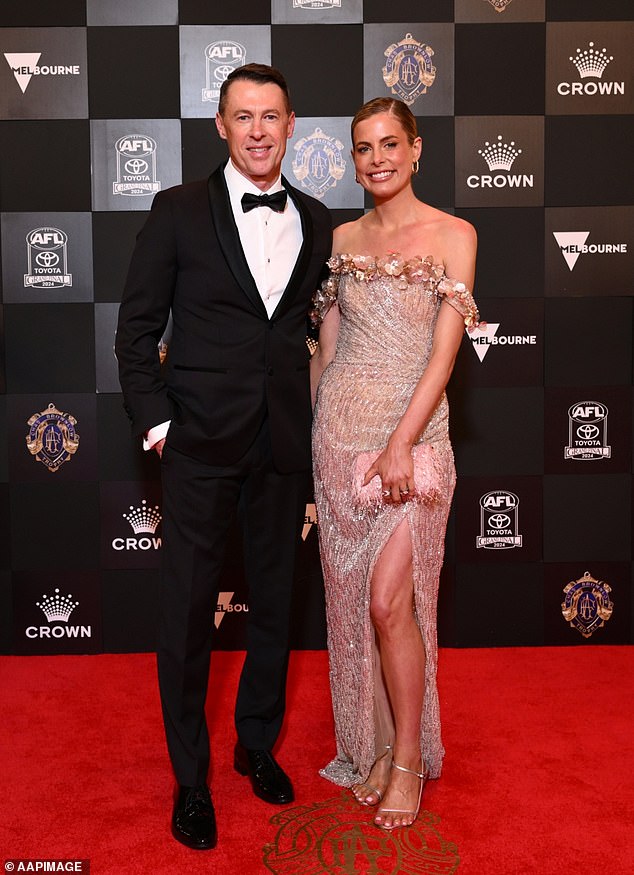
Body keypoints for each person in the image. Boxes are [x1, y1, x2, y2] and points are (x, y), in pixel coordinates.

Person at [115, 63, 332, 850]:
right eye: (243, 116)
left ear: (291, 122)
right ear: (220, 125)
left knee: (276, 602)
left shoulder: (315, 218)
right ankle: (191, 778)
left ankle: (255, 744)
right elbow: (135, 332)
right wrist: (160, 426)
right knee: (185, 616)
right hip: (199, 445)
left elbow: (309, 337)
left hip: (281, 443)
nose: (258, 130)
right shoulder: (175, 211)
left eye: (271, 116)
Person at [310, 97, 480, 831]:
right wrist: (318, 446)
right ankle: (376, 746)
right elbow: (326, 346)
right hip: (340, 441)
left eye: (389, 144)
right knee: (356, 609)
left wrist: (403, 443)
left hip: (412, 442)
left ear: (416, 150)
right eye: (362, 147)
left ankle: (408, 756)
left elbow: (444, 355)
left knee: (390, 603)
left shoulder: (454, 234)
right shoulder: (342, 236)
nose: (375, 158)